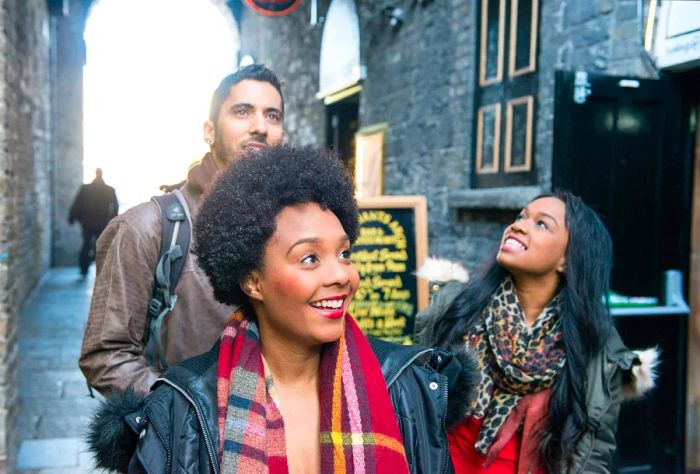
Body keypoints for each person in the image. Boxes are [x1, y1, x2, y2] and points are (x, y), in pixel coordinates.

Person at [86, 145, 479, 474]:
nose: (342, 275)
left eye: (345, 253)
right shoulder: (181, 411)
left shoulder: (408, 389)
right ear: (252, 281)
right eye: (309, 258)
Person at [415, 192, 659, 473]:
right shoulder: (455, 308)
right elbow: (415, 411)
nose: (518, 225)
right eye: (521, 216)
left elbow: (594, 452)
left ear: (567, 260)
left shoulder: (595, 348)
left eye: (542, 224)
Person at [79, 64, 285, 395]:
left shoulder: (292, 226)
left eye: (272, 116)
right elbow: (106, 357)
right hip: (186, 440)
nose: (260, 126)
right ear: (210, 130)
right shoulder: (148, 227)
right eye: (242, 112)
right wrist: (187, 411)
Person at [68, 168, 118, 277]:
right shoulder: (109, 190)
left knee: (86, 244)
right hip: (102, 222)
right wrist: (115, 221)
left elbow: (77, 204)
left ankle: (84, 269)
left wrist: (72, 218)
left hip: (87, 223)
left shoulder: (86, 189)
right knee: (101, 247)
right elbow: (115, 207)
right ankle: (101, 270)